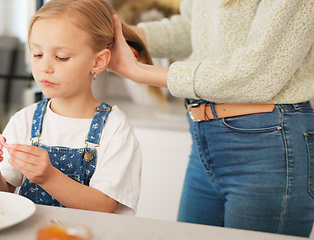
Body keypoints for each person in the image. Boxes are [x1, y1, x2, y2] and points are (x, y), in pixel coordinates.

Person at [107, 0, 314, 237]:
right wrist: (120, 33)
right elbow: (193, 28)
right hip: (205, 138)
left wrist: (138, 72)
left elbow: (259, 73)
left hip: (268, 144)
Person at [0, 0, 146, 215]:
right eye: (37, 54)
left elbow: (104, 207)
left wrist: (49, 177)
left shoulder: (115, 128)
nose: (44, 67)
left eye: (61, 57)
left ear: (98, 62)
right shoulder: (24, 120)